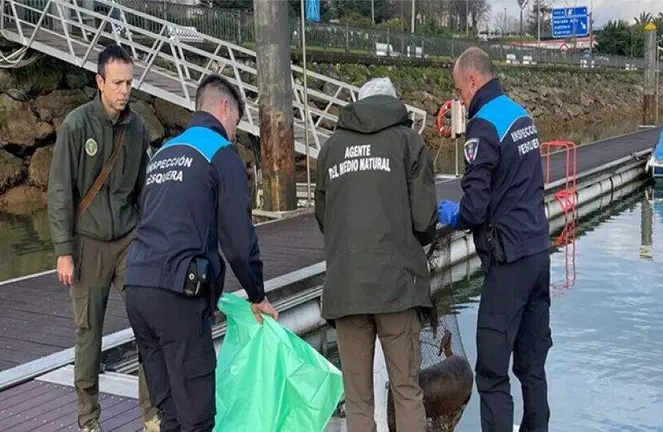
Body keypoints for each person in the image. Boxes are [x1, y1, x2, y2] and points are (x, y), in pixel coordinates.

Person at [122, 73, 278, 432]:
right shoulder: (221, 154)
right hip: (178, 295)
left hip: (137, 289)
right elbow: (239, 240)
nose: (236, 132)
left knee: (170, 414)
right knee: (196, 417)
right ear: (224, 108)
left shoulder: (165, 153)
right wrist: (257, 294)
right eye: (237, 122)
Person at [437, 47, 553, 432]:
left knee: (491, 373)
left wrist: (452, 213)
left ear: (473, 79)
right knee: (532, 366)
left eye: (461, 91)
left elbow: (474, 207)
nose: (461, 100)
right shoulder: (522, 116)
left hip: (508, 264)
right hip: (538, 253)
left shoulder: (483, 126)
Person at [314, 77, 438, 431]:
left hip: (346, 289)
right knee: (406, 391)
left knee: (358, 399)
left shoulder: (331, 147)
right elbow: (425, 220)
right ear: (393, 103)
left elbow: (324, 217)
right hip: (397, 288)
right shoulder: (408, 142)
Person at [47, 44, 159, 432]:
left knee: (148, 321)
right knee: (89, 335)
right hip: (88, 242)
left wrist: (152, 240)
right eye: (117, 83)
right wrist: (64, 251)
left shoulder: (139, 127)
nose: (125, 90)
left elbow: (145, 192)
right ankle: (89, 419)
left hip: (129, 240)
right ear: (99, 82)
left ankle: (151, 413)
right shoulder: (77, 126)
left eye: (129, 82)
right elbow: (60, 191)